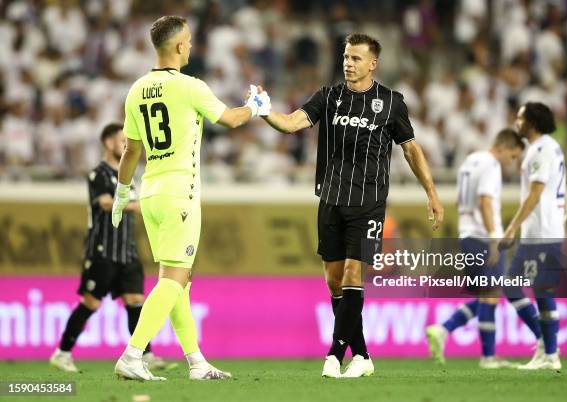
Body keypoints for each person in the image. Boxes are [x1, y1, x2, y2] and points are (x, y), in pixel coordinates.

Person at [260, 33, 444, 378]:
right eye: (346, 56)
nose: (348, 62)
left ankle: (334, 353)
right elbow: (292, 123)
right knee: (333, 280)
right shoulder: (328, 97)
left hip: (369, 202)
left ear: (373, 64)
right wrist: (264, 111)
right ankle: (362, 354)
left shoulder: (391, 102)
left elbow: (411, 150)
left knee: (352, 274)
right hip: (331, 198)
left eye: (356, 58)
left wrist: (431, 193)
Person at [111, 15, 270, 381]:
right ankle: (133, 355)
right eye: (190, 41)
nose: (192, 45)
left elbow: (131, 152)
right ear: (180, 47)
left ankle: (196, 362)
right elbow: (230, 119)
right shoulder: (190, 86)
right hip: (180, 193)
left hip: (149, 192)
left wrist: (122, 192)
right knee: (173, 279)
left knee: (178, 279)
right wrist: (256, 107)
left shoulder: (136, 89)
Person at [50, 123, 171, 373]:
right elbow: (105, 203)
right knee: (91, 303)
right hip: (103, 250)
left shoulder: (129, 175)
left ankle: (145, 355)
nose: (126, 145)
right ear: (108, 143)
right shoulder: (100, 174)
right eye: (121, 141)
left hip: (127, 250)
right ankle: (62, 353)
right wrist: (139, 206)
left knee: (135, 302)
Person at [425, 129, 524, 369]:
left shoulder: (470, 160)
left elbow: (462, 199)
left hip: (467, 234)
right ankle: (487, 356)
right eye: (512, 156)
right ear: (503, 147)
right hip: (482, 236)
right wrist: (493, 238)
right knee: (490, 296)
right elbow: (485, 201)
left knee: (488, 294)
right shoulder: (490, 165)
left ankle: (443, 330)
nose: (511, 162)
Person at [500, 102, 565, 370]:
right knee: (518, 286)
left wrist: (512, 227)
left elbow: (535, 193)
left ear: (533, 123)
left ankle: (550, 353)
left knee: (533, 288)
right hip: (542, 230)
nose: (517, 122)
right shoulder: (548, 148)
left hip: (541, 231)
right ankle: (546, 346)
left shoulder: (541, 150)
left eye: (521, 118)